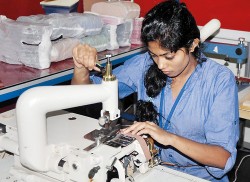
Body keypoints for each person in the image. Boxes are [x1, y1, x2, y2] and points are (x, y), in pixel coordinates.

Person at [71, 0, 239, 181]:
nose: (160, 65)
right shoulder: (144, 64)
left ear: (192, 45)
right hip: (150, 170)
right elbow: (86, 97)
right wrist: (80, 69)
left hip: (198, 177)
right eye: (154, 55)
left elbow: (222, 158)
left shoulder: (219, 81)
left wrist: (169, 138)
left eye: (169, 56)